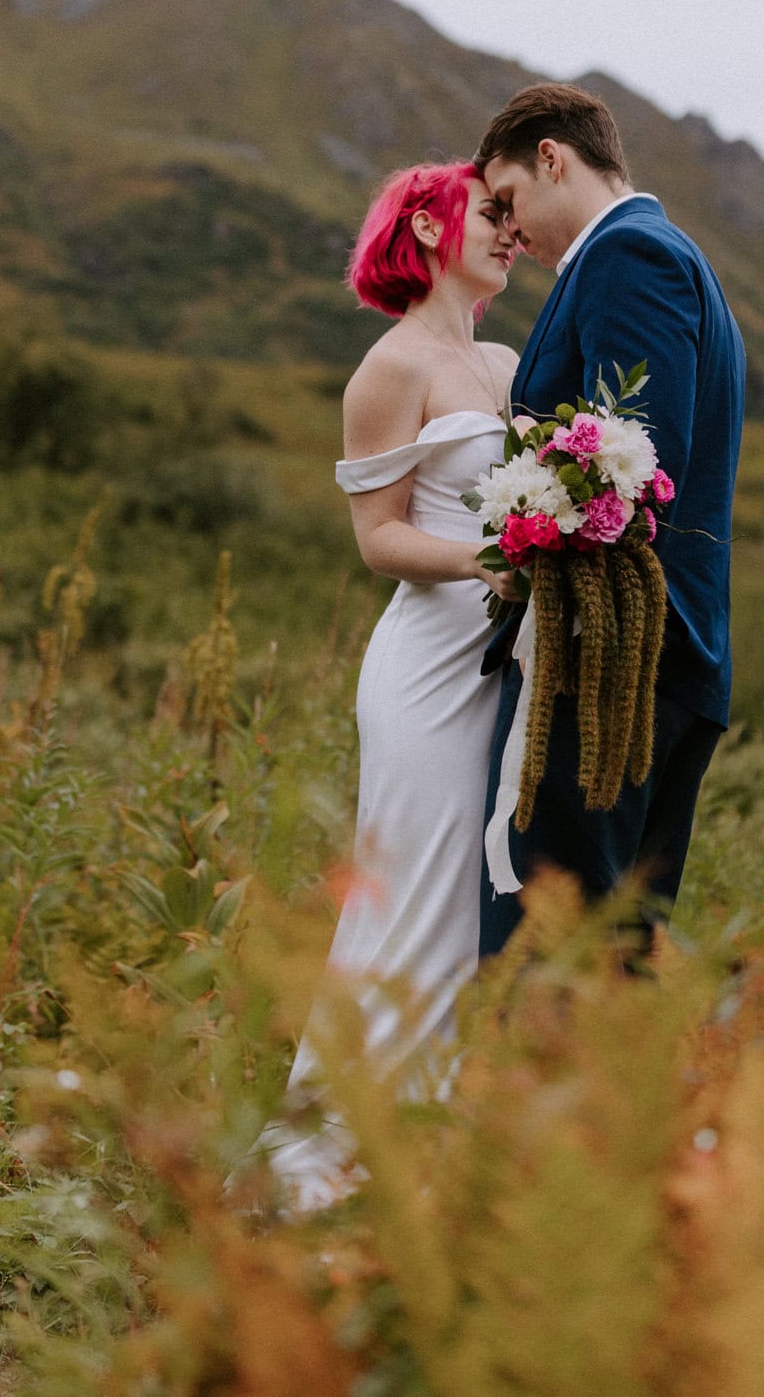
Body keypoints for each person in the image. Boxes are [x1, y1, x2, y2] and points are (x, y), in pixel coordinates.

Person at [263, 159, 519, 1211]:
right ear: (427, 226)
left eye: (514, 217)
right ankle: (332, 1167)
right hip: (426, 669)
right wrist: (498, 562)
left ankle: (430, 1160)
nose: (512, 232)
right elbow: (380, 540)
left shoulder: (509, 362)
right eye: (491, 215)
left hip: (507, 659)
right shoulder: (388, 370)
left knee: (476, 901)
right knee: (413, 896)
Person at [474, 82, 745, 956]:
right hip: (657, 662)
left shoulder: (630, 256)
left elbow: (629, 466)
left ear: (552, 157)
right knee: (612, 962)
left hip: (610, 673)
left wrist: (525, 520)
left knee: (551, 950)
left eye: (508, 200)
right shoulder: (652, 254)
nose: (507, 229)